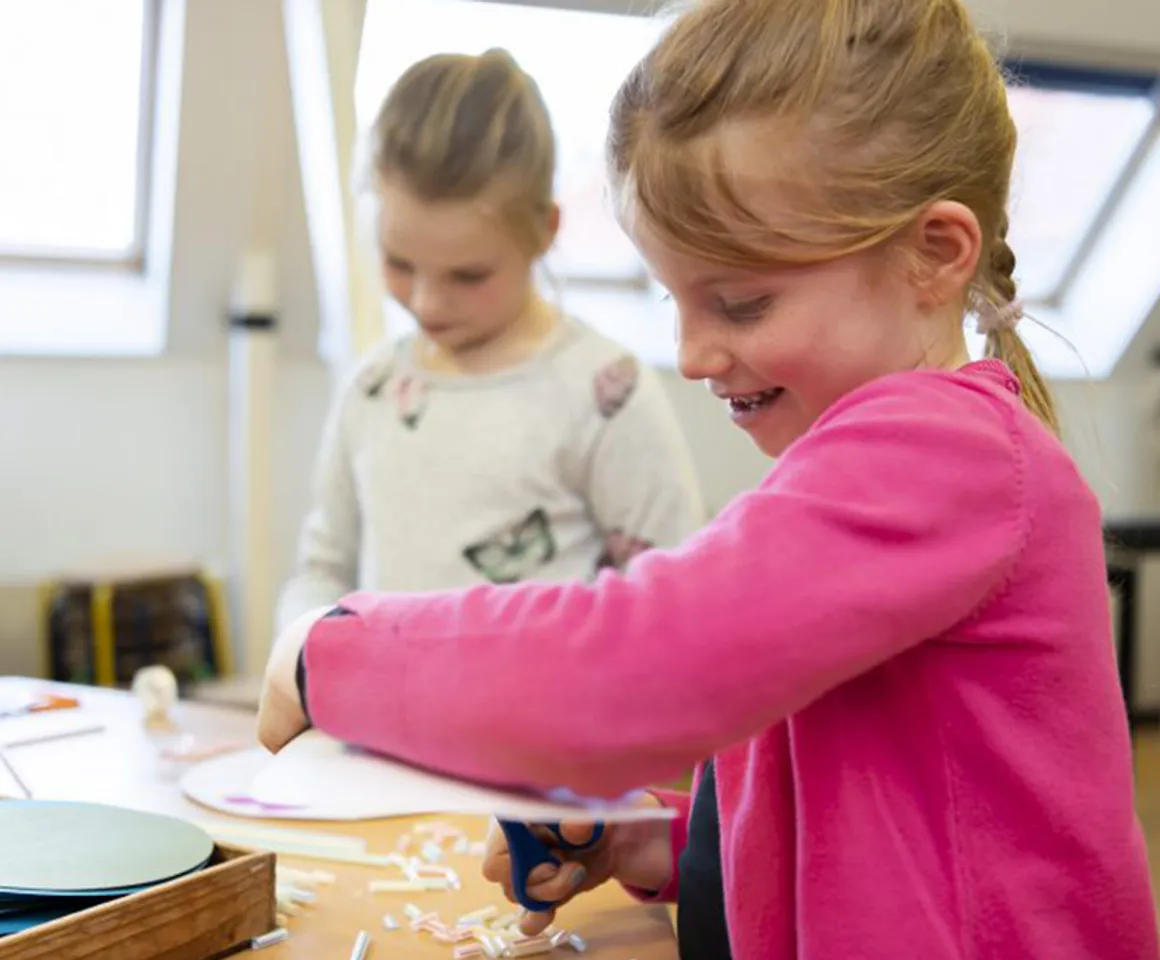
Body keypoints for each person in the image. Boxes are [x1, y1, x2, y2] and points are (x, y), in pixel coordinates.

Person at [258, 2, 1158, 957]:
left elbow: (643, 663)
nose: (690, 354)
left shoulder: (950, 453)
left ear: (933, 254)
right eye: (674, 298)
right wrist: (657, 841)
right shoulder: (873, 468)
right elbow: (843, 798)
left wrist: (336, 654)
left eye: (739, 301)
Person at [275, 48, 704, 631]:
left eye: (468, 275)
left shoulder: (607, 393)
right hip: (379, 723)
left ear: (543, 233)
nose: (426, 302)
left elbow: (673, 599)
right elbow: (322, 571)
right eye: (399, 262)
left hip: (557, 722)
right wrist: (304, 647)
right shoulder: (371, 392)